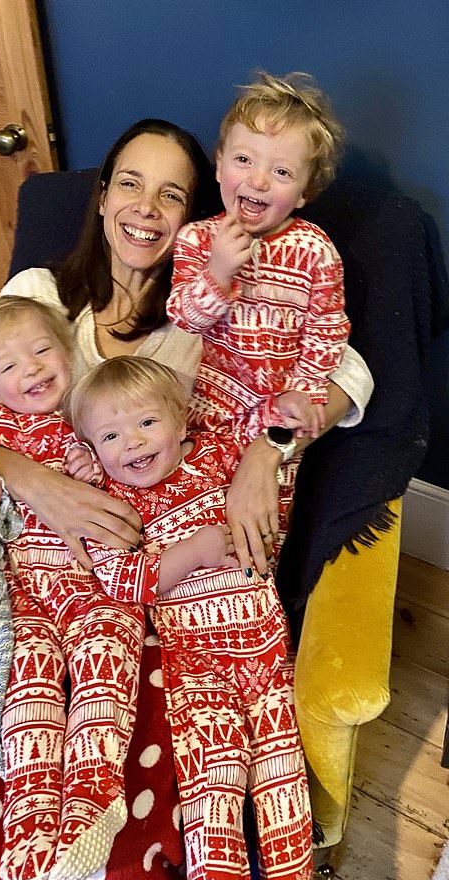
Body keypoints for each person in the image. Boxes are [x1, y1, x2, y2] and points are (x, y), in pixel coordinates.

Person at [0, 117, 373, 880]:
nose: (146, 207)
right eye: (129, 182)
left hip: (146, 584)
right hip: (42, 569)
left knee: (122, 833)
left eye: (172, 193)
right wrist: (41, 482)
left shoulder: (209, 310)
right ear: (100, 198)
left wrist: (268, 453)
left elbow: (348, 372)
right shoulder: (37, 296)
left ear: (197, 218)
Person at [0, 295, 149, 880]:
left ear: (68, 353)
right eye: (10, 367)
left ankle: (94, 801)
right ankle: (33, 814)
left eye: (42, 351)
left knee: (104, 671)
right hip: (28, 591)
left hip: (99, 584)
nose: (33, 370)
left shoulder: (90, 407)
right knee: (30, 688)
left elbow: (134, 447)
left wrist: (95, 459)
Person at [69, 356, 313, 880]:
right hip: (194, 667)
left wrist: (289, 418)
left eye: (146, 423)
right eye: (110, 435)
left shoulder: (218, 457)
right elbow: (124, 581)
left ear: (181, 421)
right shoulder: (113, 502)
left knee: (284, 790)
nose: (131, 443)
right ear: (93, 449)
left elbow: (274, 440)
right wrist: (194, 552)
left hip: (266, 654)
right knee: (214, 798)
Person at [167, 71, 350, 546]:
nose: (259, 180)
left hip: (275, 416)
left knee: (259, 530)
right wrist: (218, 272)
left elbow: (328, 331)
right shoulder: (197, 239)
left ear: (305, 192)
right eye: (244, 160)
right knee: (188, 519)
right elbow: (184, 316)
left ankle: (254, 598)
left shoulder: (316, 251)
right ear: (220, 165)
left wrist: (305, 394)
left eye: (282, 172)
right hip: (202, 412)